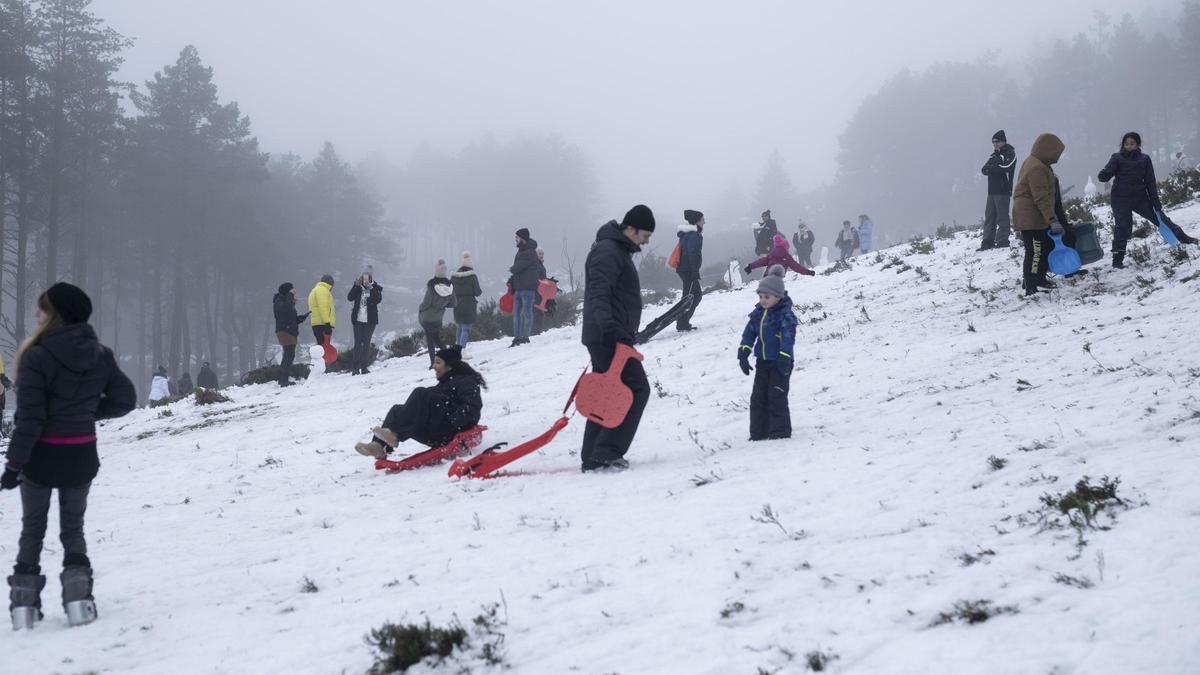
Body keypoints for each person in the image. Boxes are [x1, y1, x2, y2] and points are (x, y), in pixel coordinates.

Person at [2, 283, 136, 629]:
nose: (36, 314)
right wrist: (86, 413)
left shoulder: (37, 356)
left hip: (42, 458)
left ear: (56, 314)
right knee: (73, 528)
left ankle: (24, 609)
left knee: (32, 529)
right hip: (80, 455)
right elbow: (124, 400)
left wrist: (13, 466)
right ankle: (79, 602)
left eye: (42, 309)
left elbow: (30, 420)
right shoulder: (100, 354)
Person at [579, 205, 654, 472]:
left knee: (605, 393)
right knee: (637, 389)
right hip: (607, 336)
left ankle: (593, 455)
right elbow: (599, 293)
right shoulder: (609, 251)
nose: (646, 241)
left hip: (608, 334)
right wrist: (611, 329)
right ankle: (606, 452)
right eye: (645, 235)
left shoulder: (615, 250)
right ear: (631, 229)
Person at [354, 345, 485, 459]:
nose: (434, 366)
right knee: (396, 410)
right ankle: (378, 445)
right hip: (439, 430)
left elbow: (472, 409)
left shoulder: (466, 381)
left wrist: (452, 422)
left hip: (449, 433)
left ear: (449, 366)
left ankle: (395, 434)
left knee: (421, 393)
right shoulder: (445, 383)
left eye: (438, 363)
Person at [1098, 131, 1197, 268]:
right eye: (1126, 144)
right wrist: (1105, 173)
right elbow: (1103, 177)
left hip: (1140, 198)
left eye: (1132, 144)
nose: (1129, 146)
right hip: (1120, 199)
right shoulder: (1116, 158)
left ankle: (1184, 238)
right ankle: (1117, 260)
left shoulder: (1144, 159)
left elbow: (1150, 181)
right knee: (1122, 228)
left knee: (1161, 218)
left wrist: (1155, 202)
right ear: (1123, 145)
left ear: (1137, 144)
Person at [737, 266, 797, 441]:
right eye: (761, 296)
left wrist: (785, 358)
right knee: (758, 397)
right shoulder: (759, 314)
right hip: (763, 362)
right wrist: (743, 352)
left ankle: (779, 432)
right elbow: (749, 333)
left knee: (776, 395)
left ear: (778, 297)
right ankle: (759, 432)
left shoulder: (784, 315)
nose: (763, 300)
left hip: (780, 362)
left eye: (767, 297)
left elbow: (788, 338)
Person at [1013, 132, 1074, 295]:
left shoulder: (1036, 162)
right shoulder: (1037, 168)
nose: (1057, 157)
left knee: (1043, 247)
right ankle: (1031, 285)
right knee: (1035, 251)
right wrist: (1053, 220)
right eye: (1056, 153)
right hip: (1030, 217)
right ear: (1047, 149)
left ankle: (1038, 279)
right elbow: (1041, 197)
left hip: (1034, 216)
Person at [418, 260, 456, 368]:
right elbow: (454, 303)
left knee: (430, 341)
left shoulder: (432, 286)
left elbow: (426, 303)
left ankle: (432, 363)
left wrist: (420, 308)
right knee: (437, 339)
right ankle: (448, 358)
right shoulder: (450, 287)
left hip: (428, 318)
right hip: (438, 318)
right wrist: (443, 305)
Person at [347, 266, 383, 375]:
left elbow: (377, 300)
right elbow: (350, 297)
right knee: (358, 344)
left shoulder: (375, 287)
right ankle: (355, 368)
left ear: (371, 277)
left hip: (370, 321)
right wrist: (355, 286)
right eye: (363, 276)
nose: (365, 278)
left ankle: (364, 367)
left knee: (366, 344)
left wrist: (370, 287)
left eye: (367, 276)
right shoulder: (358, 287)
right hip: (358, 320)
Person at [273, 283, 309, 387]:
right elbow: (285, 309)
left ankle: (283, 379)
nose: (294, 293)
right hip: (285, 331)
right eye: (292, 291)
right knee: (289, 355)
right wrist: (290, 296)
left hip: (289, 331)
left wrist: (300, 319)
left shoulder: (284, 301)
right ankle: (283, 380)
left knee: (288, 355)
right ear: (287, 291)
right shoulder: (278, 301)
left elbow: (289, 317)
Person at [675, 209, 705, 332]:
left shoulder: (688, 234)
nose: (705, 222)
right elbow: (692, 253)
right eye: (703, 220)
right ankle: (682, 322)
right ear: (697, 221)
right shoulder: (693, 235)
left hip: (684, 269)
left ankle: (682, 322)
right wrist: (694, 271)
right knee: (695, 295)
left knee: (689, 295)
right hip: (688, 270)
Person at [509, 228, 540, 347]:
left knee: (526, 313)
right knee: (516, 313)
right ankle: (517, 337)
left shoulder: (530, 252)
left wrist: (512, 269)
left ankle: (525, 337)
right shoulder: (521, 251)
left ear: (522, 238)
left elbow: (518, 267)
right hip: (519, 287)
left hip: (527, 288)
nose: (515, 240)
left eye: (517, 238)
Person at [746, 234, 816, 278]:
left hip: (767, 277)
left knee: (767, 296)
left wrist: (750, 266)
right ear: (785, 247)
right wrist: (808, 272)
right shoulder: (787, 257)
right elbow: (797, 267)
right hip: (777, 279)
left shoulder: (771, 255)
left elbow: (760, 262)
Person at [451, 251, 482, 347]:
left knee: (459, 327)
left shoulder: (454, 277)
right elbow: (478, 292)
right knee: (466, 328)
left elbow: (450, 290)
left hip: (457, 303)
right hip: (469, 304)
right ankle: (461, 350)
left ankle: (457, 349)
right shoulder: (472, 276)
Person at [307, 274, 336, 372]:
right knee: (323, 347)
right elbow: (323, 307)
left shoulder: (315, 289)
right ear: (330, 283)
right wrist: (327, 323)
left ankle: (320, 369)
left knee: (320, 347)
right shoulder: (323, 290)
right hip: (322, 323)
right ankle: (323, 370)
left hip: (316, 323)